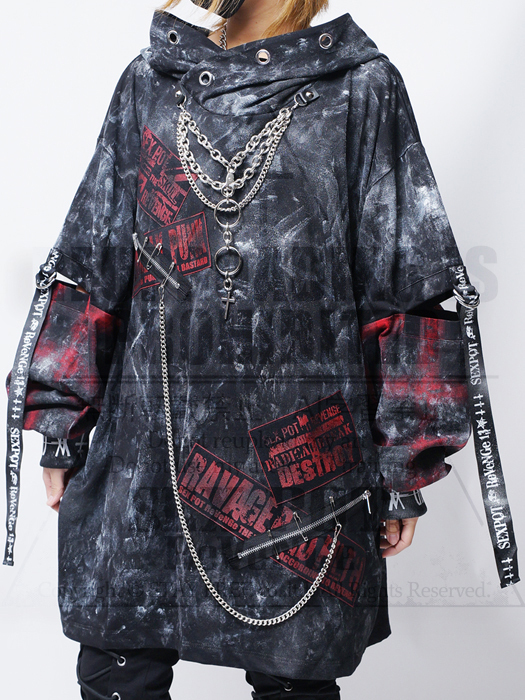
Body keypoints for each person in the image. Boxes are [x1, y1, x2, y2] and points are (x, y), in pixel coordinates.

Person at [4, 0, 518, 698]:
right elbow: (93, 260)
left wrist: (403, 467)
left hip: (302, 464)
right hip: (143, 456)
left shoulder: (361, 89)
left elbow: (405, 287)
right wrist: (62, 428)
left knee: (294, 672)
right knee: (116, 664)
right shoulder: (150, 82)